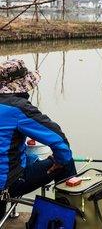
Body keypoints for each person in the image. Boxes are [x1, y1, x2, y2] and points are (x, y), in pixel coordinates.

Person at [0, 59, 76, 219]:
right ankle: (67, 220)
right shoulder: (18, 108)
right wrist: (59, 161)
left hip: (9, 170)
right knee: (66, 160)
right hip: (6, 186)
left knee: (31, 157)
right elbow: (59, 141)